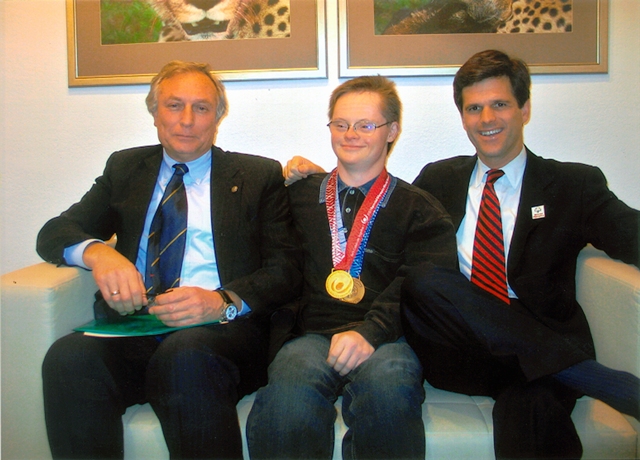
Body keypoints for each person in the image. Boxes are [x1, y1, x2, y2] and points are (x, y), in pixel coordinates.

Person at [283, 50, 640, 459]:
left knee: (534, 406)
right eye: (474, 108)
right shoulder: (440, 178)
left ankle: (571, 372)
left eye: (499, 104)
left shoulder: (573, 184)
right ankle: (587, 374)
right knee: (426, 278)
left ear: (524, 109)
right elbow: (379, 210)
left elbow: (631, 234)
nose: (486, 119)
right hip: (459, 349)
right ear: (463, 117)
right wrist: (323, 182)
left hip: (536, 350)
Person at [37, 60, 302, 459]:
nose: (187, 120)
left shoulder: (256, 176)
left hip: (220, 336)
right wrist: (99, 254)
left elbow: (286, 269)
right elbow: (55, 232)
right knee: (68, 357)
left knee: (186, 355)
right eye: (174, 105)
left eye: (201, 108)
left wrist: (222, 301)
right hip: (134, 328)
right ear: (155, 112)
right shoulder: (126, 169)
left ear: (218, 116)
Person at [246, 76, 457, 459]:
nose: (351, 134)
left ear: (392, 131)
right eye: (341, 124)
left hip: (388, 340)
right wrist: (290, 178)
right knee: (287, 406)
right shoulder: (297, 197)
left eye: (365, 125)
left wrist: (370, 333)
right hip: (311, 338)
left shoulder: (420, 209)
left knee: (389, 398)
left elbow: (423, 285)